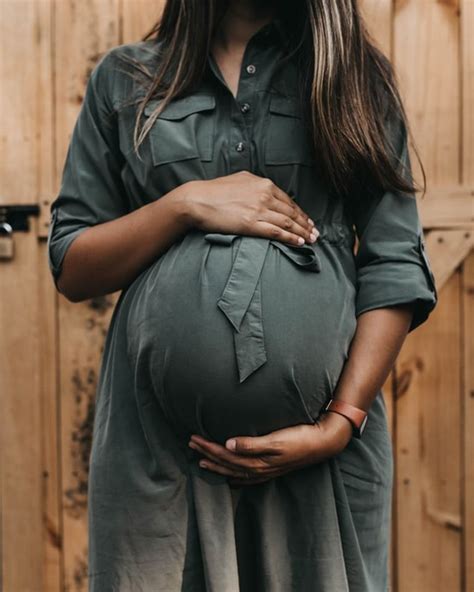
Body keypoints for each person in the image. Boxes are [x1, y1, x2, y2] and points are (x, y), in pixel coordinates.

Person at [47, 0, 438, 590]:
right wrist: (184, 205)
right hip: (160, 457)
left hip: (324, 455)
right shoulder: (125, 79)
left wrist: (339, 423)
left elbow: (394, 263)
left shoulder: (351, 76)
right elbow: (73, 265)